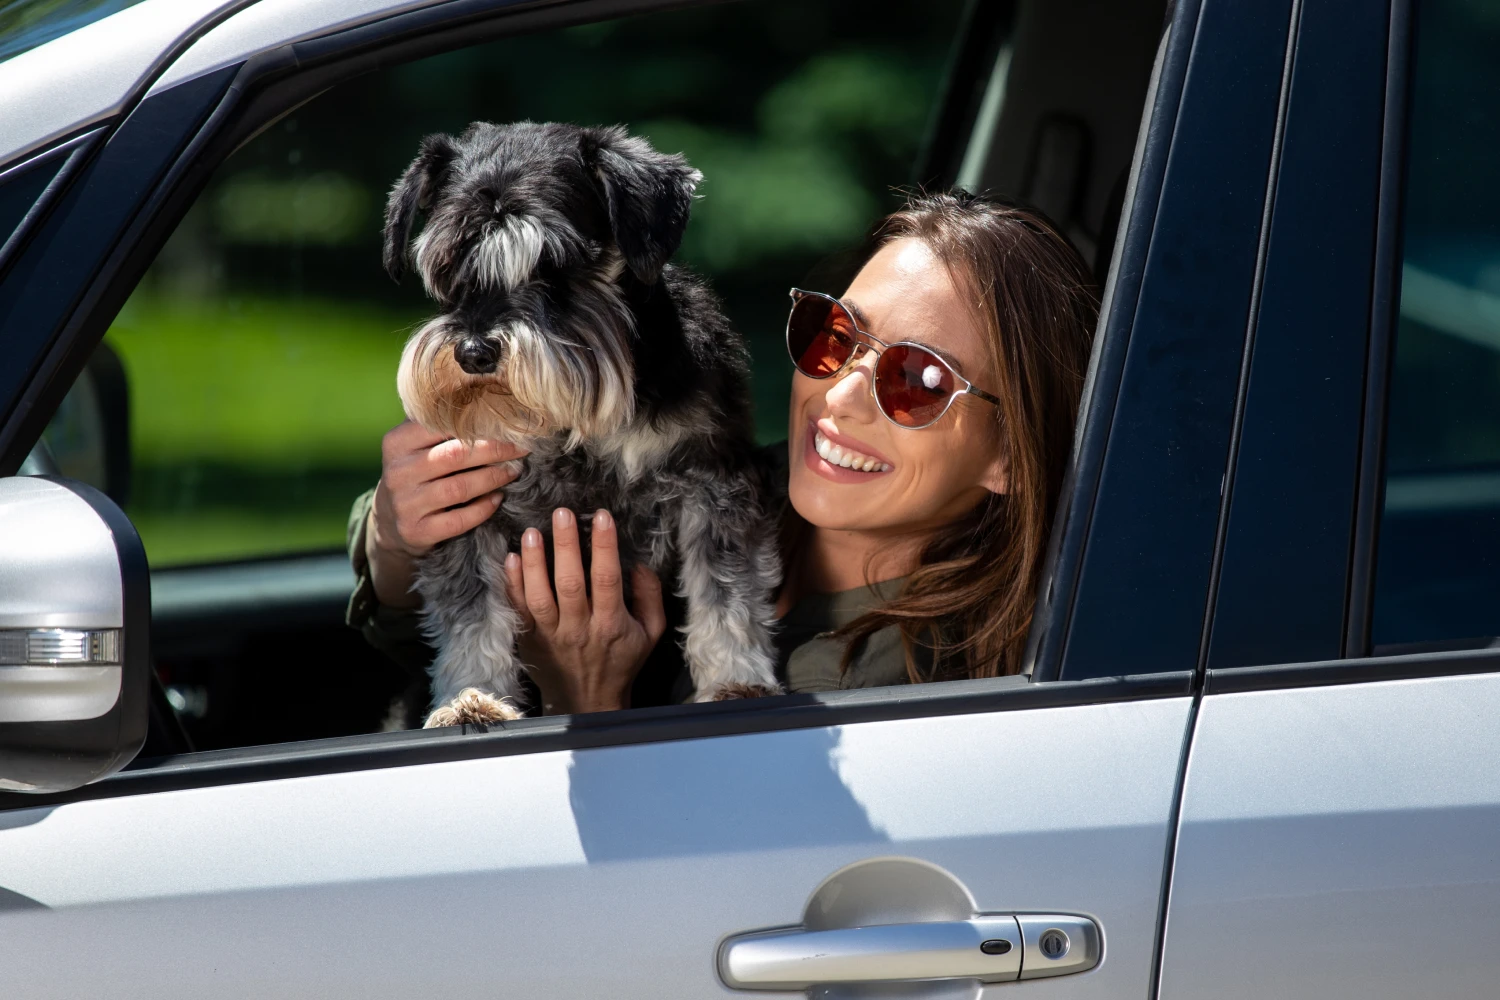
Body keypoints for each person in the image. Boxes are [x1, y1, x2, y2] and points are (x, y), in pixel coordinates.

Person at [346, 192, 1098, 719]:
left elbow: (689, 897)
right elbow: (445, 602)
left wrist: (586, 697)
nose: (838, 399)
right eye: (834, 335)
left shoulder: (896, 698)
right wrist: (393, 531)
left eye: (917, 380)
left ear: (1011, 457)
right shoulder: (738, 484)